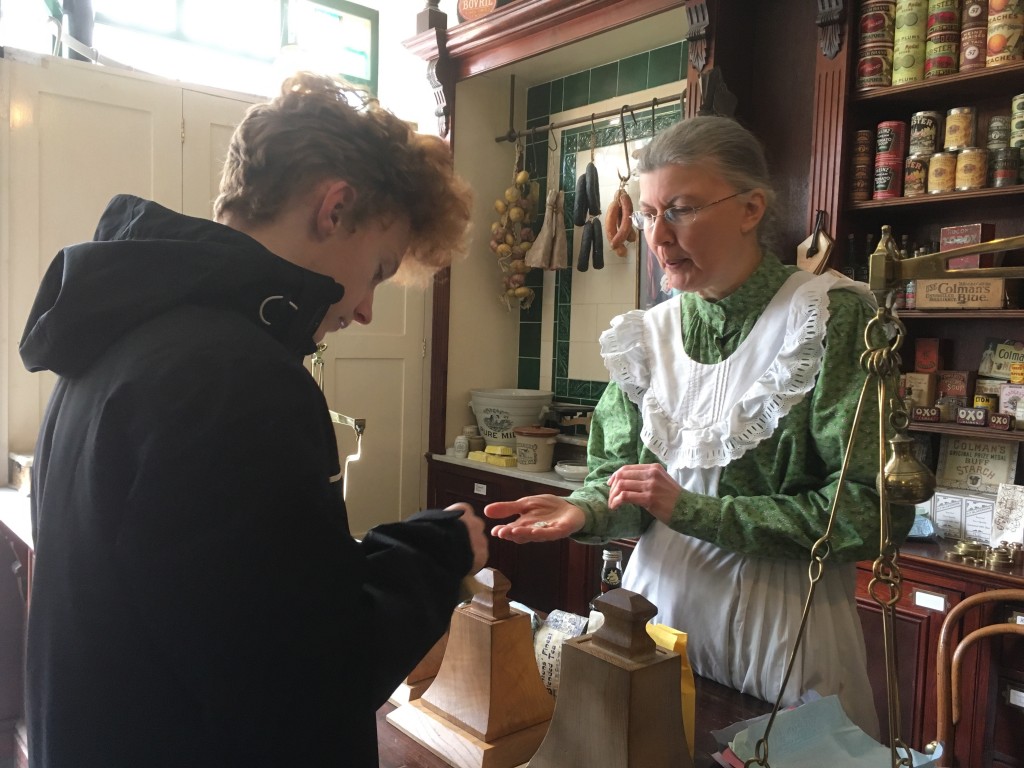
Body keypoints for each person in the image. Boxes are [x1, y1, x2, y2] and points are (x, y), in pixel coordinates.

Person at [19, 72, 487, 768]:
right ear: (336, 208)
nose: (363, 309)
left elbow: (224, 615)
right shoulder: (236, 376)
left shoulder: (116, 336)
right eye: (379, 271)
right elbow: (304, 684)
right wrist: (440, 550)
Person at [485, 115, 914, 738]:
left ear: (750, 208)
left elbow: (875, 510)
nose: (659, 237)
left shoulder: (828, 320)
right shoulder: (646, 336)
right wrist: (585, 511)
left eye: (681, 210)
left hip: (785, 630)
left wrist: (695, 513)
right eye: (649, 214)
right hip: (651, 627)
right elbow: (620, 480)